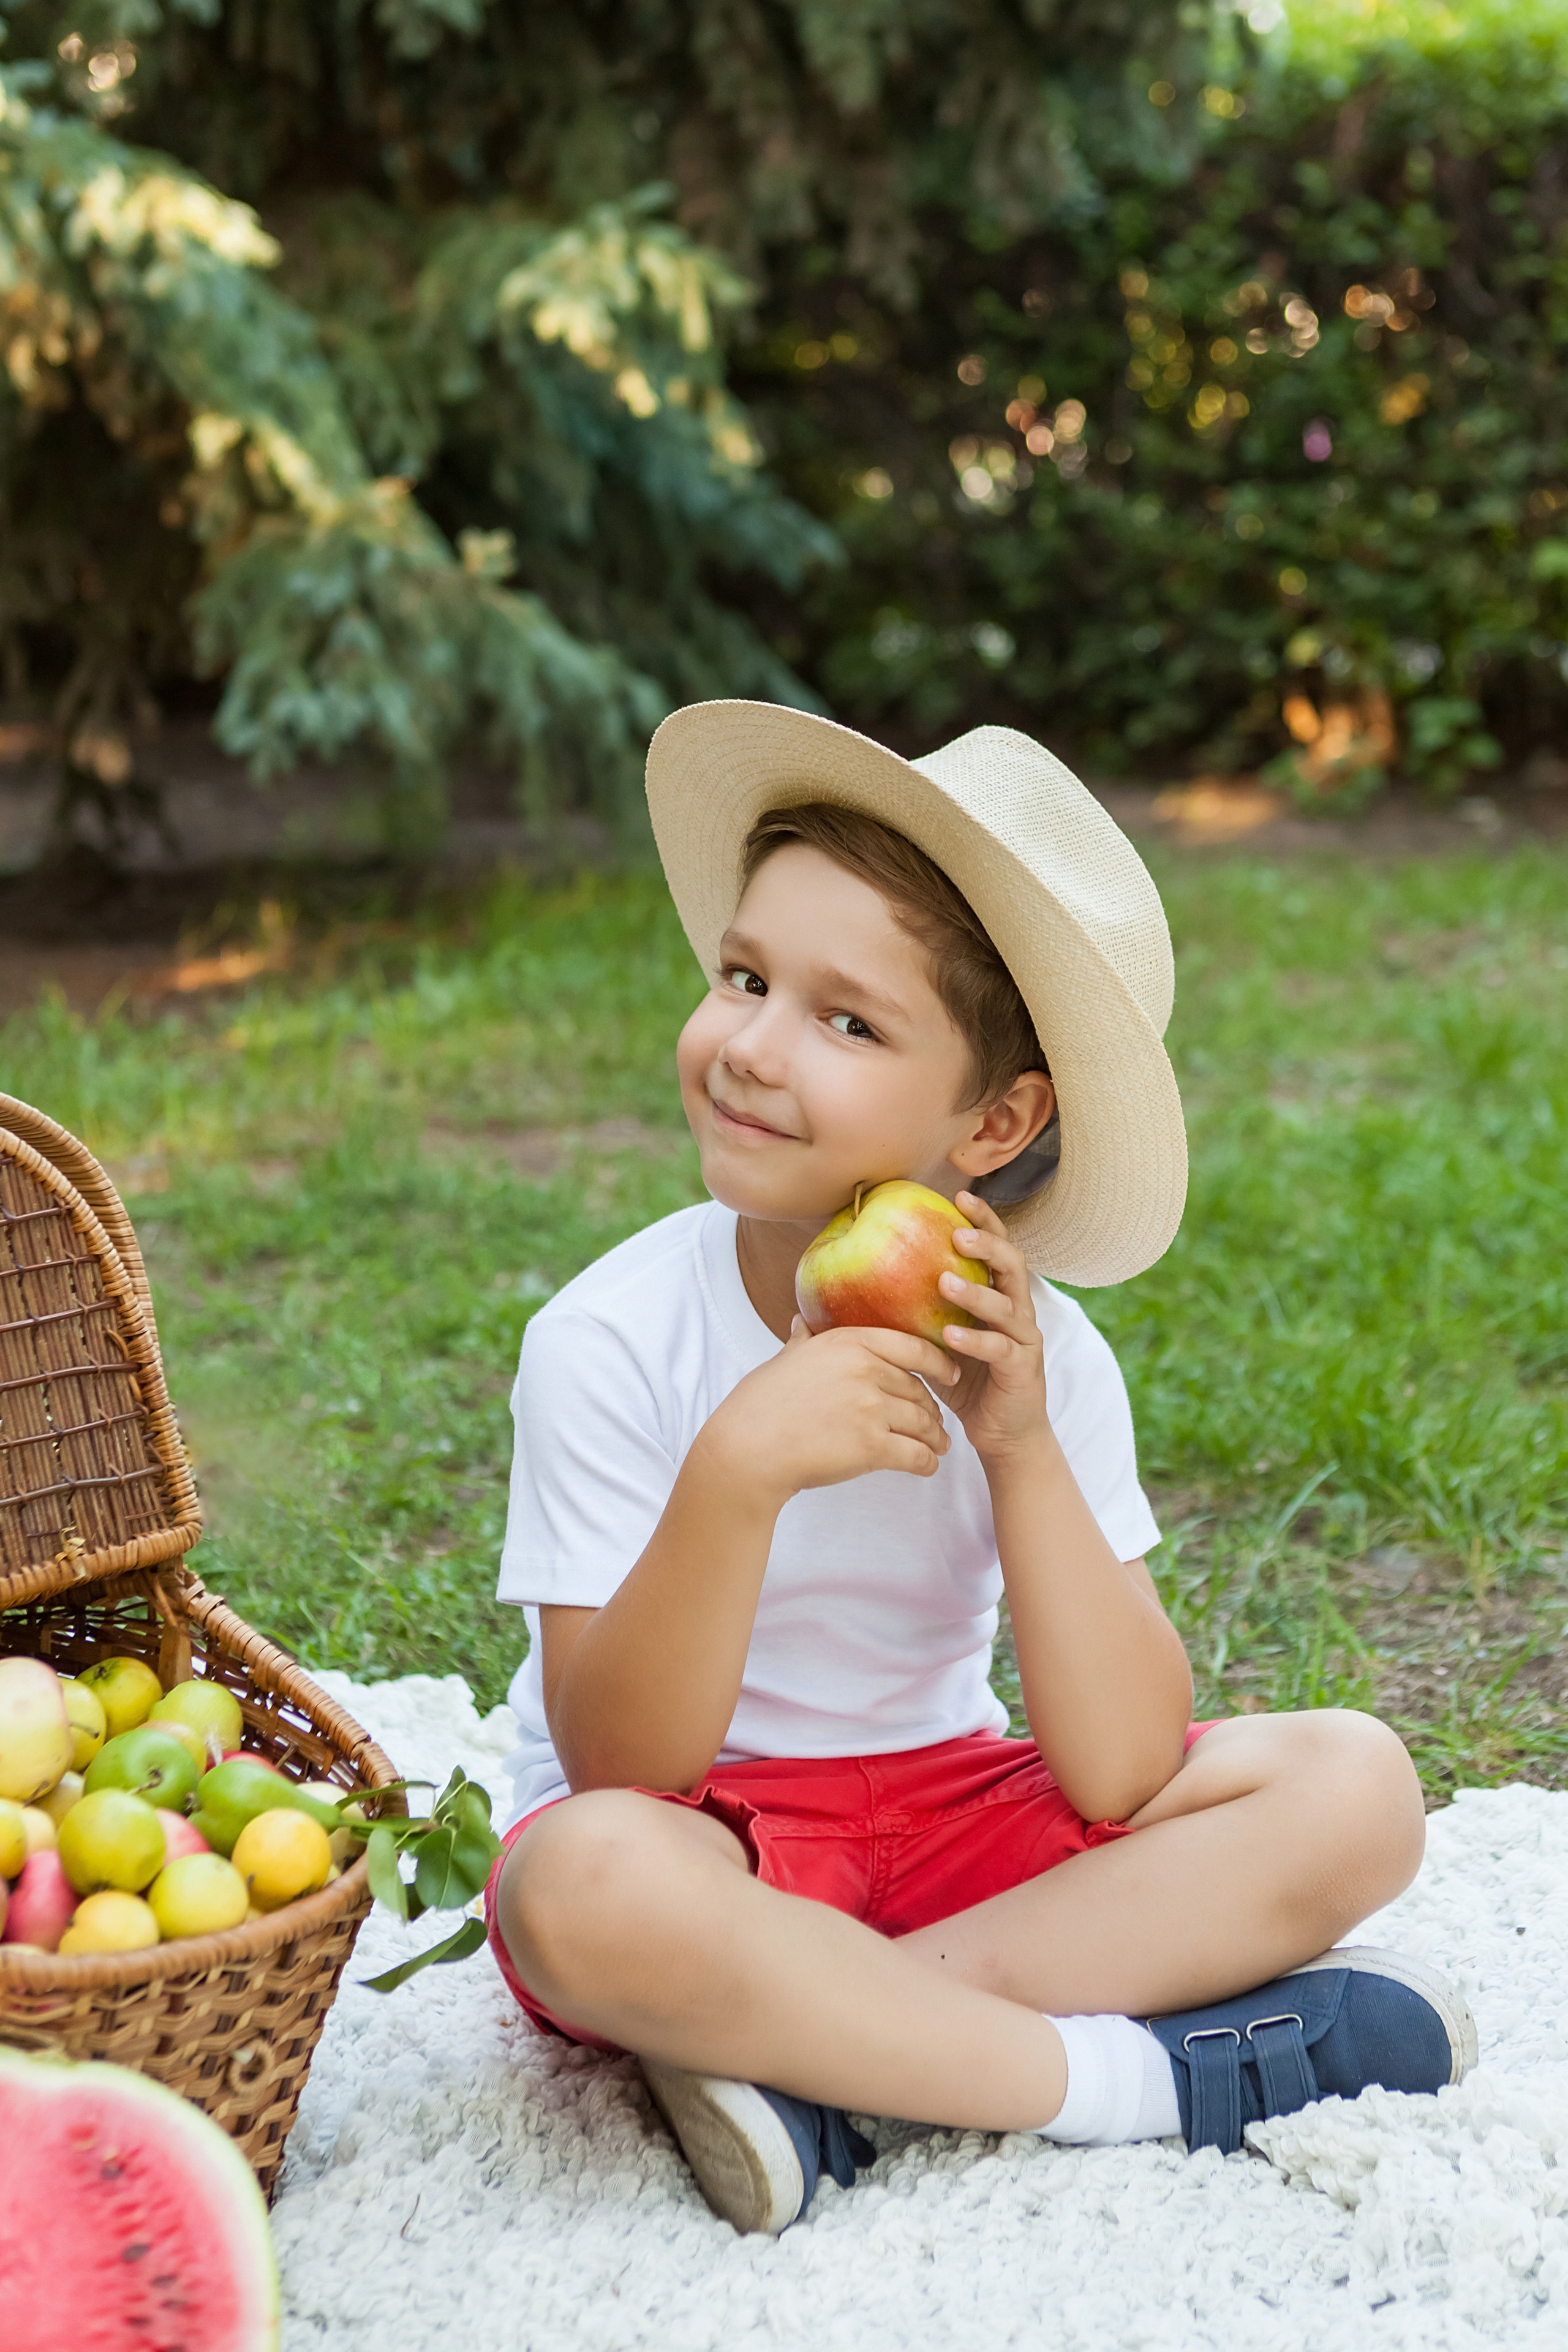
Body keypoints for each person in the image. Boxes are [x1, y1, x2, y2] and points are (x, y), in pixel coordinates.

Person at [484, 703, 1475, 2234]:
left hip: (951, 1826)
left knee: (1354, 1787)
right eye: (743, 979)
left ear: (996, 1121)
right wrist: (734, 1475)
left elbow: (1120, 1769)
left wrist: (1018, 1446)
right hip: (708, 1844)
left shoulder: (1039, 1355)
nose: (748, 1045)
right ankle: (1124, 2082)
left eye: (846, 1022)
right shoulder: (607, 1339)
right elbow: (624, 1768)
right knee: (581, 1887)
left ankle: (823, 2050)